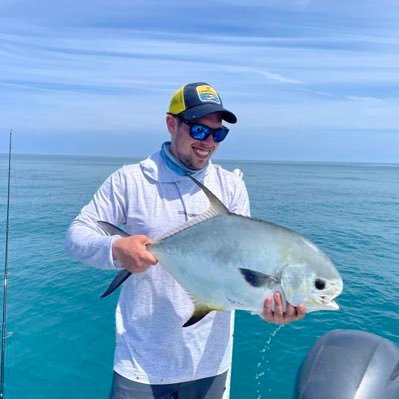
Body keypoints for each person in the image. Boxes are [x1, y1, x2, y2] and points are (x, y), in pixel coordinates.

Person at [65, 82, 305, 399]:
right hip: (141, 363)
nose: (208, 143)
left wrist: (267, 306)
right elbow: (75, 235)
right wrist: (116, 249)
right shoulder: (131, 180)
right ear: (171, 123)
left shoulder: (231, 187)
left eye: (217, 134)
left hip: (209, 363)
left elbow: (242, 271)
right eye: (199, 131)